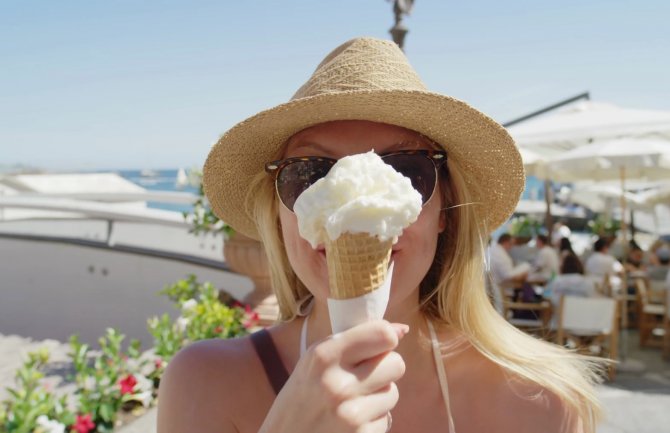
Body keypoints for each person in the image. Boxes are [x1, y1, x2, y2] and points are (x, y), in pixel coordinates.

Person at [157, 37, 603, 433]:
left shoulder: (544, 404)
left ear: (444, 209)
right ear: (278, 214)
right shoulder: (205, 383)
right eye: (309, 175)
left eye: (404, 171)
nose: (349, 213)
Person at [546, 253, 598, 325]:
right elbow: (593, 300)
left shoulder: (557, 281)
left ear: (563, 266)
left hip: (561, 323)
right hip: (585, 324)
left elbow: (550, 298)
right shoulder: (587, 282)